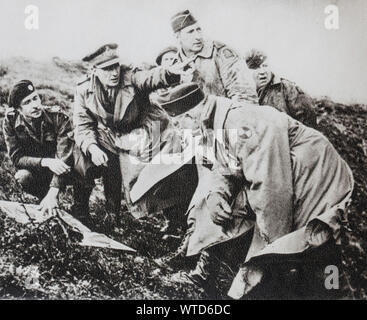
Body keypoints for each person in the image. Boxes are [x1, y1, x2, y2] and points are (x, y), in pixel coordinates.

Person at [157, 83, 353, 298]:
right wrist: (216, 194)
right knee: (286, 255)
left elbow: (272, 190)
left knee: (311, 246)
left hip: (315, 175)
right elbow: (225, 164)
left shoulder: (243, 124)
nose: (177, 129)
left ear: (193, 115)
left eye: (178, 122)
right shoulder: (211, 121)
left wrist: (271, 249)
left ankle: (334, 292)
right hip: (286, 175)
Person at [73, 43, 187, 220]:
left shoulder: (131, 76)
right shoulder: (83, 89)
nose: (114, 73)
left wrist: (169, 73)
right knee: (89, 151)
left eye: (115, 66)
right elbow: (82, 125)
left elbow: (149, 78)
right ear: (94, 70)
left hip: (147, 131)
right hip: (115, 135)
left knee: (161, 174)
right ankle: (99, 212)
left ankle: (175, 221)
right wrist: (92, 147)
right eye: (107, 69)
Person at [3, 80, 90, 219]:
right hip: (41, 170)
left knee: (84, 159)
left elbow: (64, 156)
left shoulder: (57, 117)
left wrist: (54, 190)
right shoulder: (11, 122)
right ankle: (46, 202)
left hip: (67, 168)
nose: (35, 105)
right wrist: (46, 162)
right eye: (27, 102)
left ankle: (81, 209)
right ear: (18, 109)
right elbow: (16, 158)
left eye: (35, 98)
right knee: (23, 176)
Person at [171, 10, 258, 103]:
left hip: (227, 115)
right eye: (190, 32)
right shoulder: (174, 66)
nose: (198, 36)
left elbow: (245, 96)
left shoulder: (220, 53)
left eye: (198, 29)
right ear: (177, 37)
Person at [245, 49, 317, 128]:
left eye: (265, 66)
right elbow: (233, 126)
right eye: (256, 68)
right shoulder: (241, 94)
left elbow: (308, 123)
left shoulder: (287, 89)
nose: (262, 72)